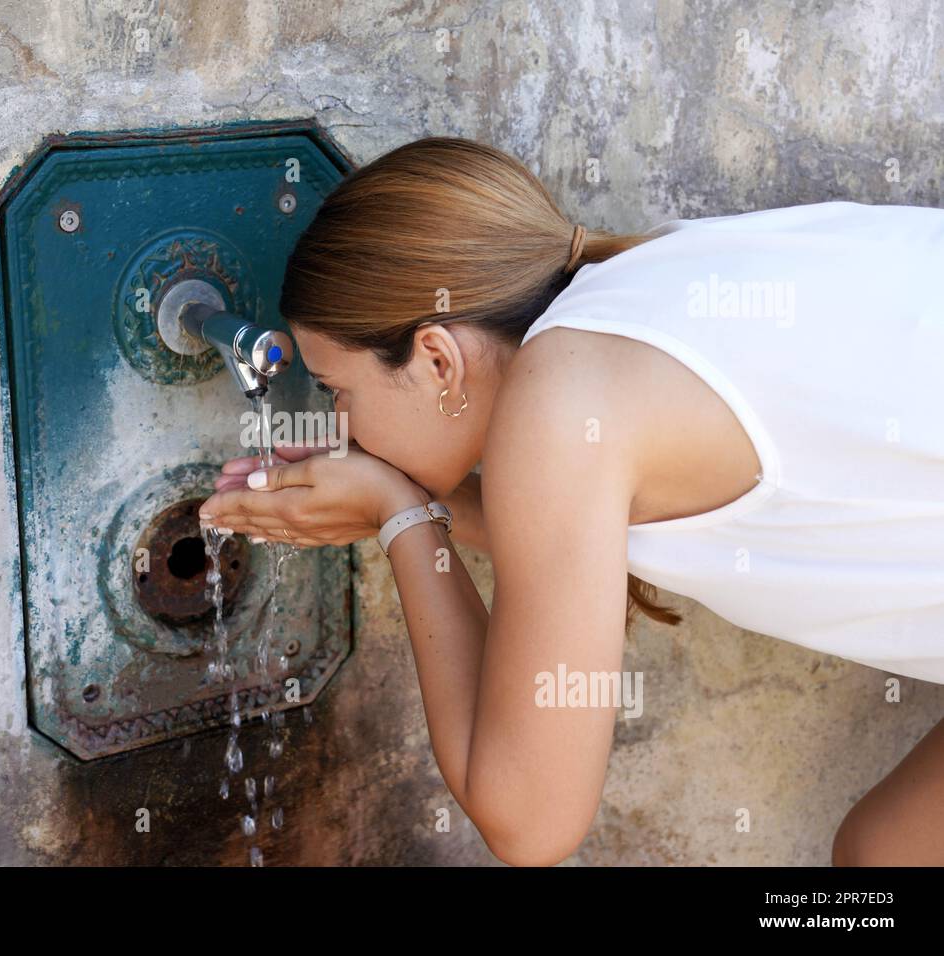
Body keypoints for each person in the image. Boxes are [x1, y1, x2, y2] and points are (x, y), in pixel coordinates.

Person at [197, 136, 944, 867]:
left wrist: (402, 515)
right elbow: (559, 535)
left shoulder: (562, 405)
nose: (336, 424)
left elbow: (530, 820)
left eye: (339, 391)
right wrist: (406, 496)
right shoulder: (628, 296)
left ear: (436, 359)